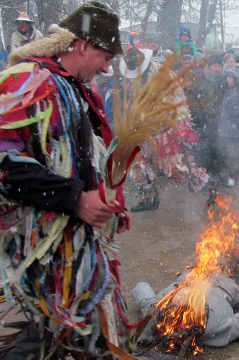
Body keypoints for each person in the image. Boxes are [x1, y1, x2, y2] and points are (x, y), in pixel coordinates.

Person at [0, 2, 134, 357]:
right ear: (83, 45)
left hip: (75, 247)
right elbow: (4, 163)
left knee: (75, 331)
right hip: (43, 250)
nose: (107, 67)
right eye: (106, 56)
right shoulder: (27, 81)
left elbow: (80, 161)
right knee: (47, 337)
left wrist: (105, 202)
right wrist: (74, 198)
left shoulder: (75, 90)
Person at [133, 272, 239, 348]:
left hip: (189, 279)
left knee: (148, 304)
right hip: (210, 282)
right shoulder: (214, 325)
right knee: (149, 306)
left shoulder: (159, 306)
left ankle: (141, 286)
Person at [118, 45, 162, 212]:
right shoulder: (145, 77)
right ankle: (150, 198)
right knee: (142, 165)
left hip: (146, 127)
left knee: (139, 165)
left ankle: (147, 199)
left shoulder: (150, 79)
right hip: (143, 126)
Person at [190, 54, 225, 177]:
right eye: (215, 66)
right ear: (209, 66)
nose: (218, 69)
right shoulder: (200, 81)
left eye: (220, 66)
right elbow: (193, 102)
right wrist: (201, 115)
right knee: (203, 150)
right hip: (203, 121)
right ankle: (203, 175)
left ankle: (216, 175)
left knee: (218, 148)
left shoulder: (224, 81)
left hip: (219, 121)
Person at [217, 68, 239, 186]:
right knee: (227, 153)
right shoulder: (226, 91)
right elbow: (222, 109)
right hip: (226, 131)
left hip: (237, 132)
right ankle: (229, 177)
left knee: (237, 154)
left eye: (230, 77)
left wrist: (237, 123)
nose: (228, 80)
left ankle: (238, 177)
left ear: (236, 79)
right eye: (227, 77)